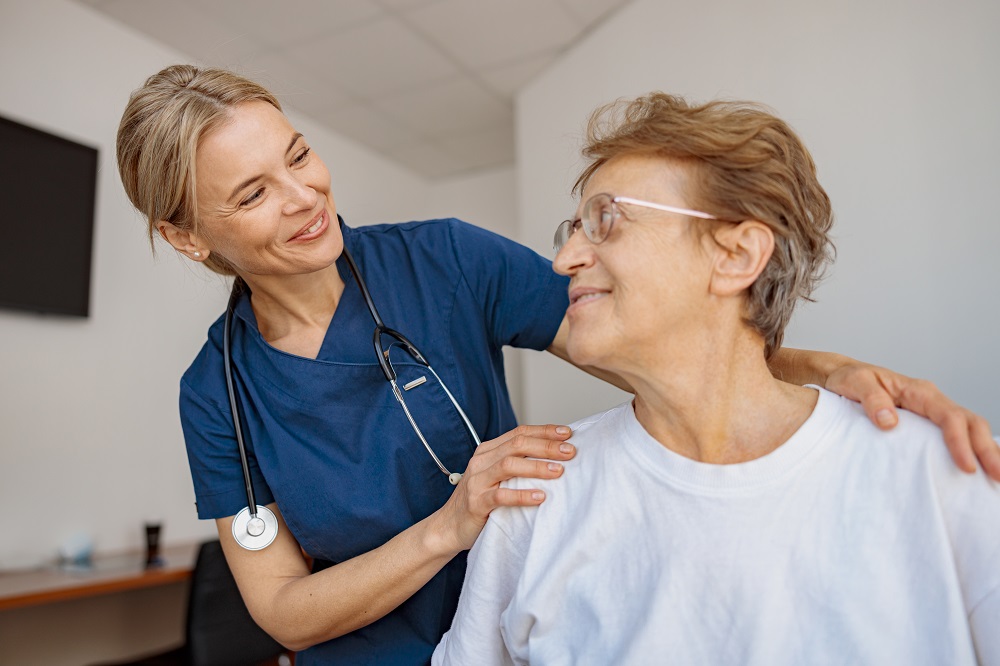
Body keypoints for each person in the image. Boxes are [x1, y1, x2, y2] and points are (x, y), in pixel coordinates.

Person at [116, 66, 998, 665]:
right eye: (253, 193)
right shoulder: (217, 395)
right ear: (188, 237)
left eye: (298, 154)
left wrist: (825, 372)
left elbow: (666, 340)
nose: (305, 196)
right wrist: (451, 524)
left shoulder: (445, 264)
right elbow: (278, 608)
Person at [433, 93, 1000, 665]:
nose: (565, 259)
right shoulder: (535, 496)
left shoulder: (938, 470)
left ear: (735, 255)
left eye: (606, 219)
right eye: (574, 228)